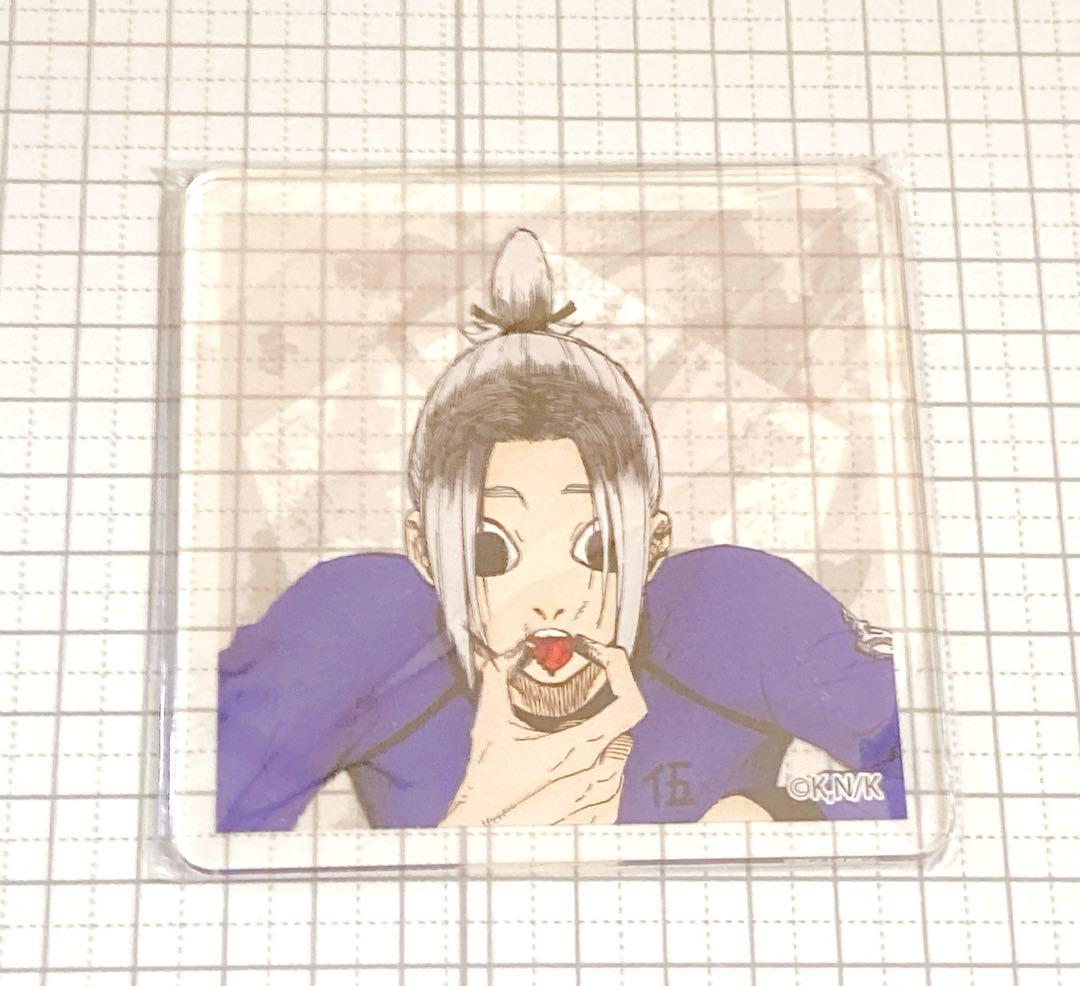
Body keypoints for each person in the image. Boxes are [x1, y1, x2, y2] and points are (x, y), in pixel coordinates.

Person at [216, 228, 905, 831]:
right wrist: (462, 844)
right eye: (491, 550)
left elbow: (924, 762)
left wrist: (777, 813)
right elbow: (203, 804)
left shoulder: (736, 611)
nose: (550, 599)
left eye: (597, 547)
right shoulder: (359, 628)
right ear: (425, 550)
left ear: (653, 546)